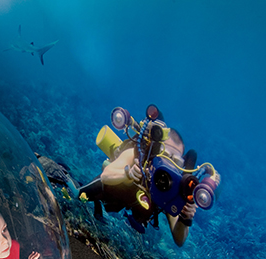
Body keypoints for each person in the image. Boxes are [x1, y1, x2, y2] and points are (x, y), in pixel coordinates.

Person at [79, 105, 219, 247]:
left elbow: (179, 239)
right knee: (80, 194)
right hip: (112, 194)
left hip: (135, 214)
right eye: (165, 155)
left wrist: (185, 218)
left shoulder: (174, 188)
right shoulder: (138, 156)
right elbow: (106, 175)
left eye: (175, 161)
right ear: (156, 149)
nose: (169, 164)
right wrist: (128, 174)